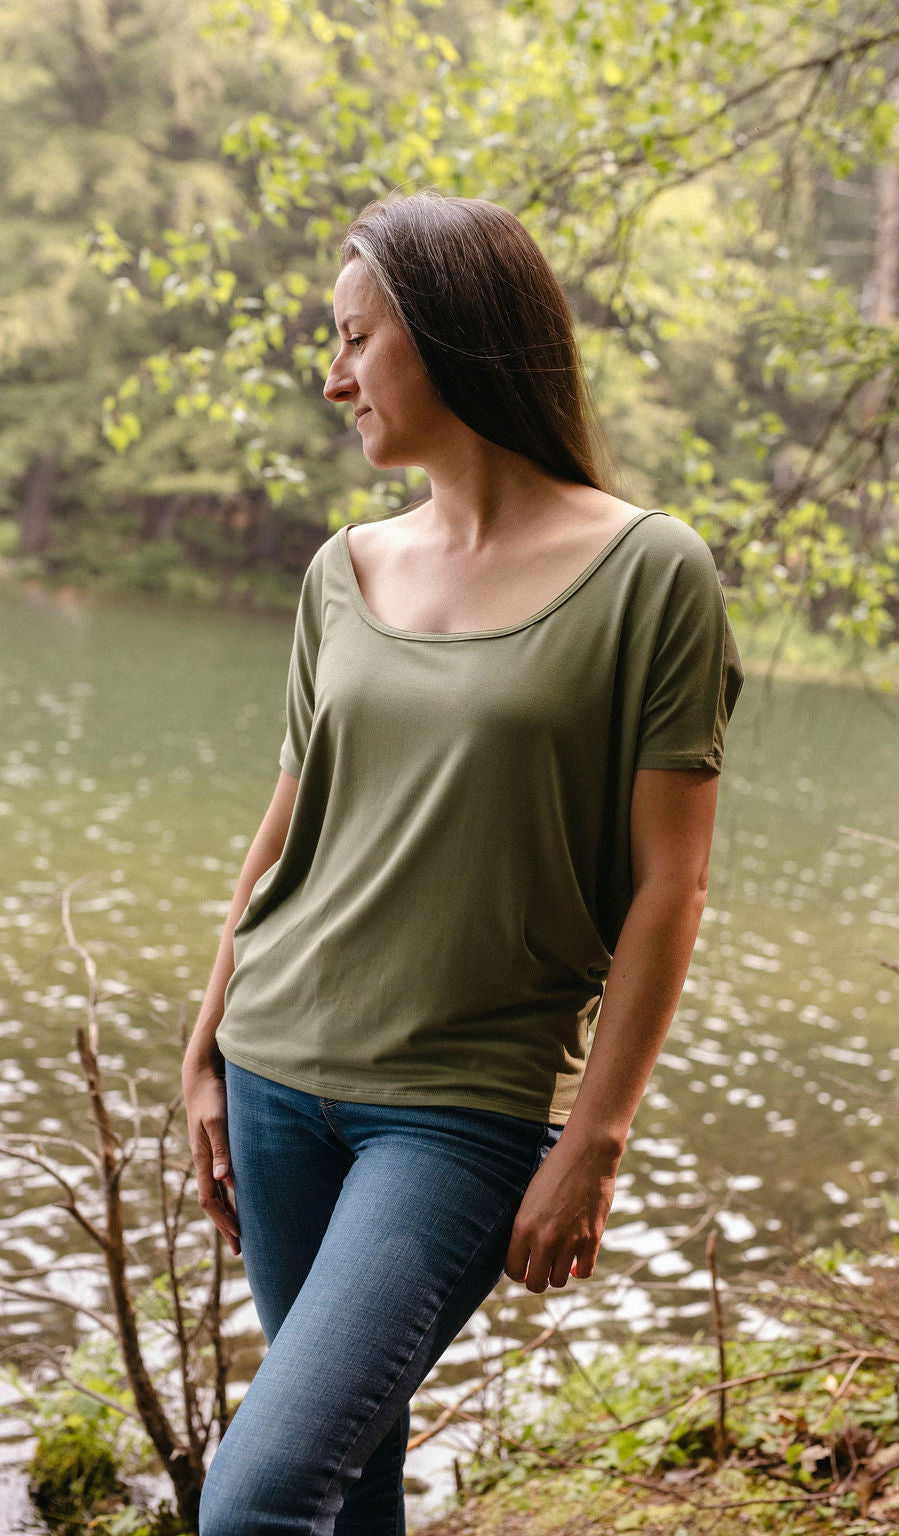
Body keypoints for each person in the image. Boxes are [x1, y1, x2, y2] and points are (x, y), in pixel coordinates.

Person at [184, 191, 743, 1536]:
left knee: (254, 1501)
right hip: (275, 1072)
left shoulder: (651, 574)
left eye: (356, 340)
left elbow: (672, 886)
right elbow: (290, 823)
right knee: (349, 1476)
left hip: (460, 1107)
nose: (334, 379)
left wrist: (595, 1143)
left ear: (449, 334)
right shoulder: (344, 571)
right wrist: (205, 1044)